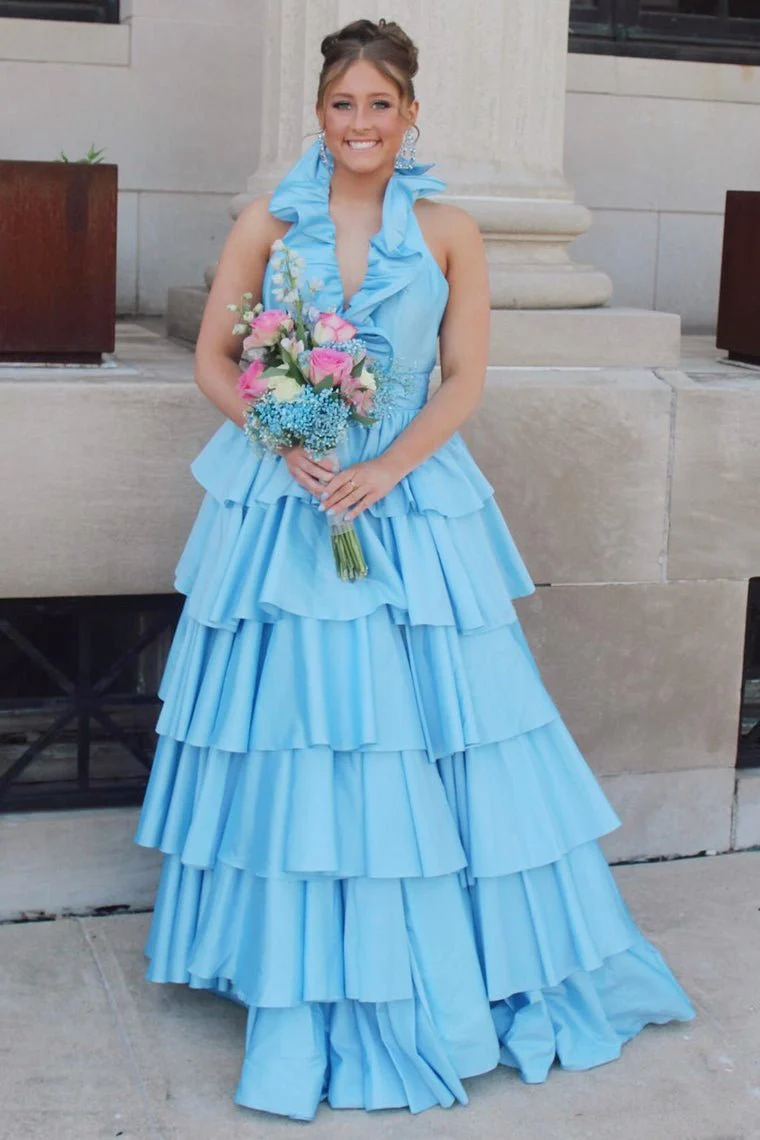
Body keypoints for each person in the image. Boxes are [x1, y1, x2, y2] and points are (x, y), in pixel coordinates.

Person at [134, 16, 695, 1122]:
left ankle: (438, 965)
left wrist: (384, 467)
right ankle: (304, 963)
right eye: (342, 104)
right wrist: (280, 433)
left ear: (410, 112)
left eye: (379, 104)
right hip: (286, 500)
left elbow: (463, 380)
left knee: (442, 730)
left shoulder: (450, 230)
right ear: (319, 113)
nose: (360, 124)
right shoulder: (271, 221)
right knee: (303, 731)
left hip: (408, 496)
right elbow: (214, 356)